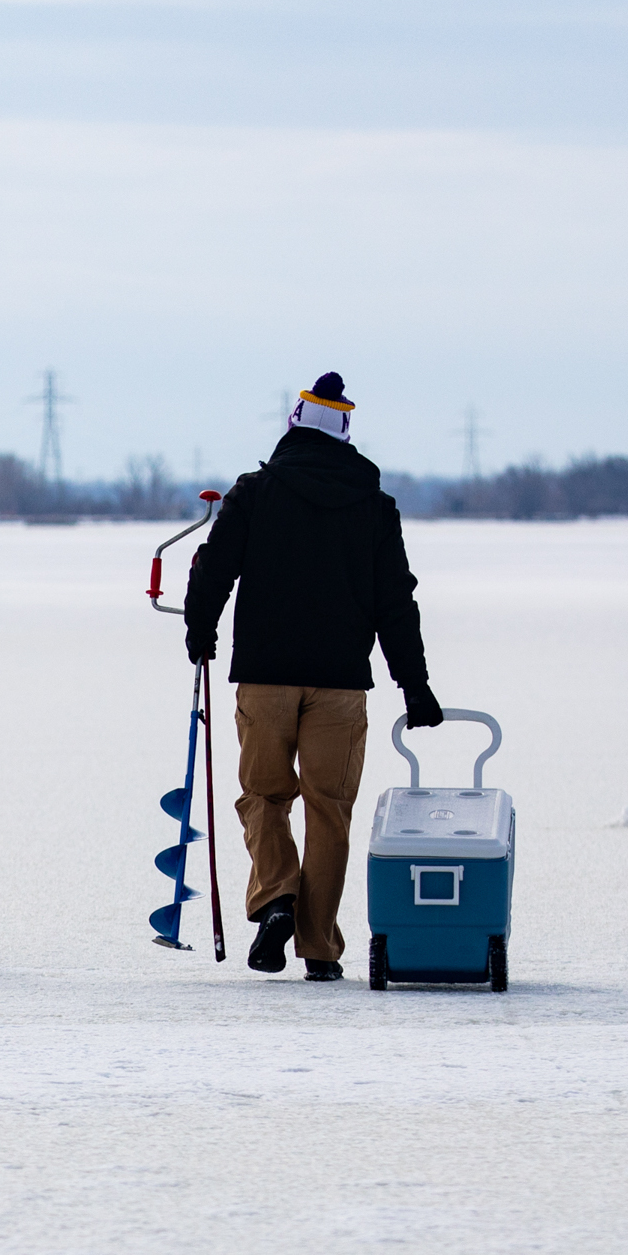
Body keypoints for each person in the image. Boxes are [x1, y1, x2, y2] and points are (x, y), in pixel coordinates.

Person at [183, 374, 443, 982]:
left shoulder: (255, 492)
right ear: (347, 433)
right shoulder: (375, 507)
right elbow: (394, 603)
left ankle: (276, 897)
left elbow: (215, 568)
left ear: (295, 423)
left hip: (265, 680)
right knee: (330, 812)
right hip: (341, 686)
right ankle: (319, 949)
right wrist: (415, 683)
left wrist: (201, 632)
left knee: (264, 797)